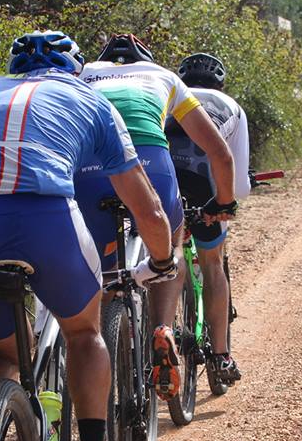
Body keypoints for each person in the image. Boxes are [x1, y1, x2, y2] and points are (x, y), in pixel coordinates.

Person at [0, 31, 178, 441]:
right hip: (45, 219)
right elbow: (147, 207)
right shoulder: (90, 100)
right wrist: (164, 260)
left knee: (1, 352)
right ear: (76, 69)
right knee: (85, 332)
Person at [74, 34, 237, 401]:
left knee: (101, 269)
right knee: (171, 241)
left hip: (90, 168)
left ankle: (102, 342)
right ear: (146, 59)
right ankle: (162, 327)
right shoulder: (164, 77)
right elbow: (219, 153)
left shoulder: (81, 76)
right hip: (150, 163)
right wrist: (224, 204)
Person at [165, 53, 250, 383]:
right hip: (203, 185)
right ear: (221, 83)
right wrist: (224, 203)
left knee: (166, 256)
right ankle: (220, 356)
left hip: (164, 180)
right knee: (212, 262)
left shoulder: (171, 96)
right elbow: (238, 182)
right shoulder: (230, 105)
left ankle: (160, 330)